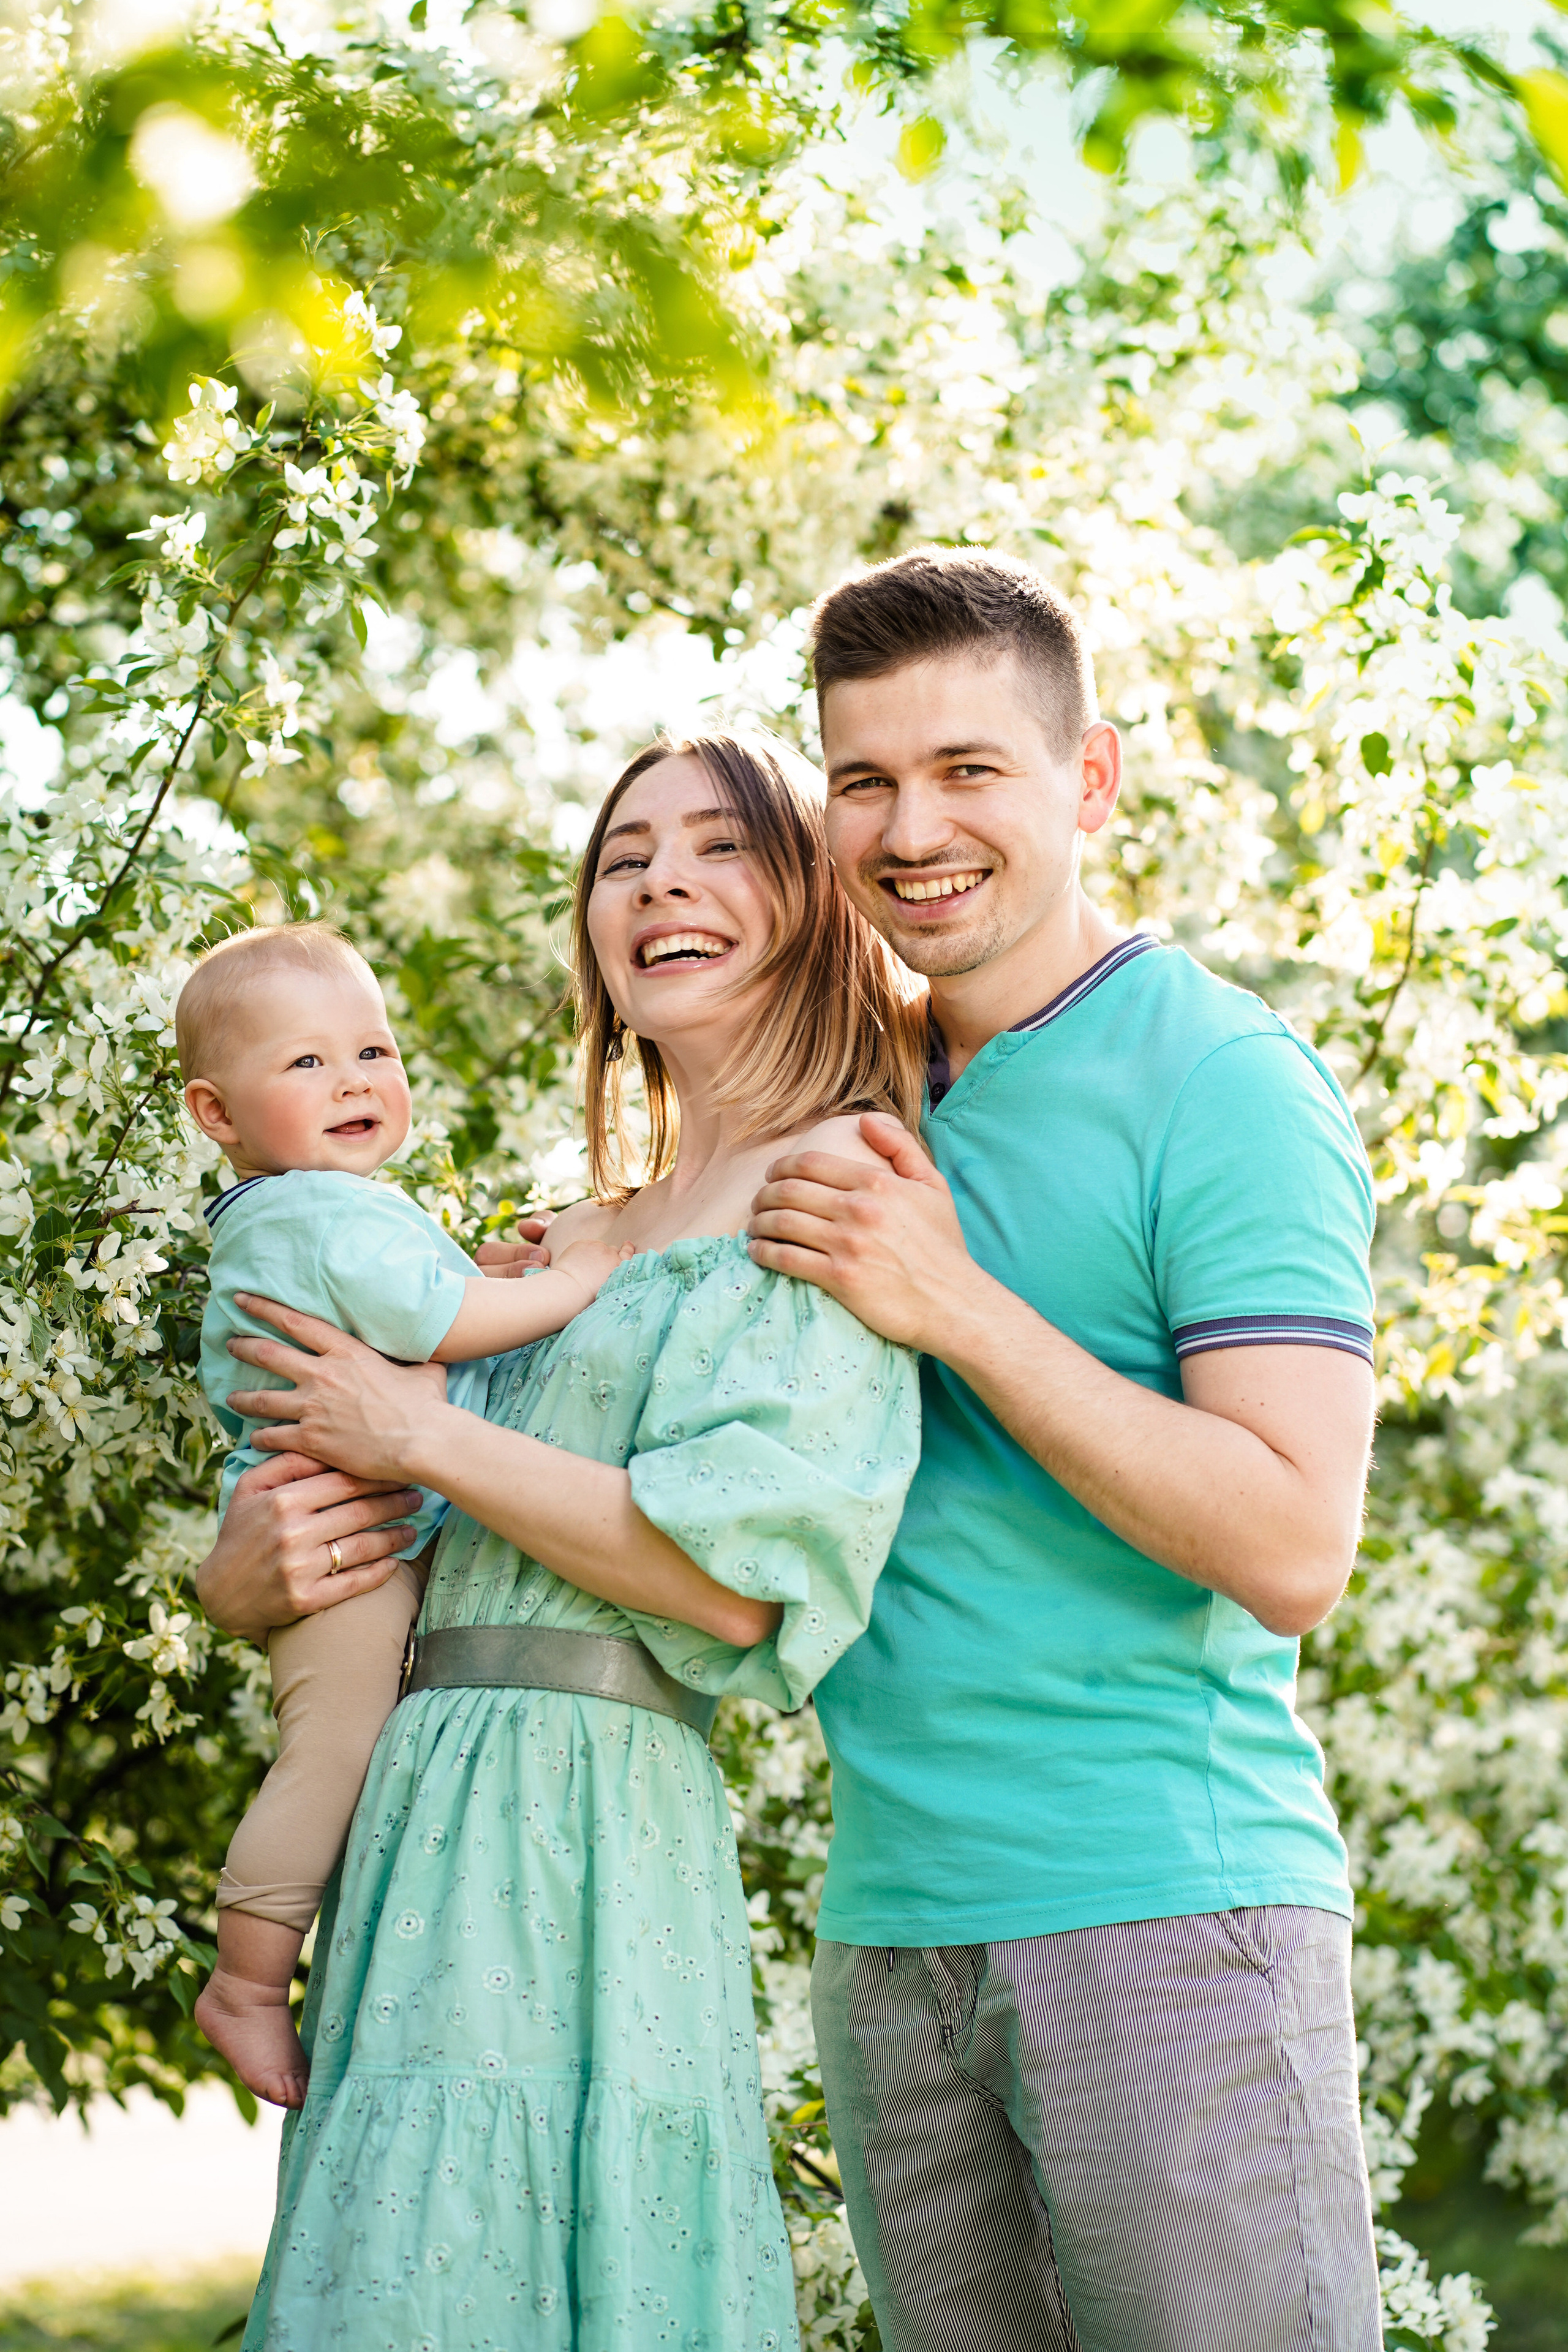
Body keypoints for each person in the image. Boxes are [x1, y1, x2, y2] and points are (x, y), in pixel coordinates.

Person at [194, 731, 925, 2351]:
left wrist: (422, 1432)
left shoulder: (832, 1188)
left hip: (594, 1814)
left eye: (719, 848)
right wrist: (241, 1574)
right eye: (623, 858)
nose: (662, 879)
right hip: (417, 1802)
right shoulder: (567, 1233)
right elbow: (389, 1516)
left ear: (807, 901)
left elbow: (739, 1586)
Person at [740, 547, 1383, 2351]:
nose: (909, 825)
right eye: (862, 780)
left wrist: (954, 1304)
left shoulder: (1223, 1080)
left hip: (1162, 1915)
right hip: (890, 1928)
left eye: (968, 770)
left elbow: (1291, 1544)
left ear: (1089, 781)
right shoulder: (848, 1094)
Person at [176, 921, 627, 2110]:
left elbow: (422, 1306)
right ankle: (247, 1977)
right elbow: (434, 1329)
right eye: (306, 1064)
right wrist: (575, 1280)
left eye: (372, 1050)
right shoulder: (312, 1214)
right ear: (217, 1116)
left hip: (360, 1528)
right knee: (335, 1753)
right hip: (338, 1549)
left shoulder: (326, 1212)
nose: (356, 1081)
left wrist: (490, 1274)